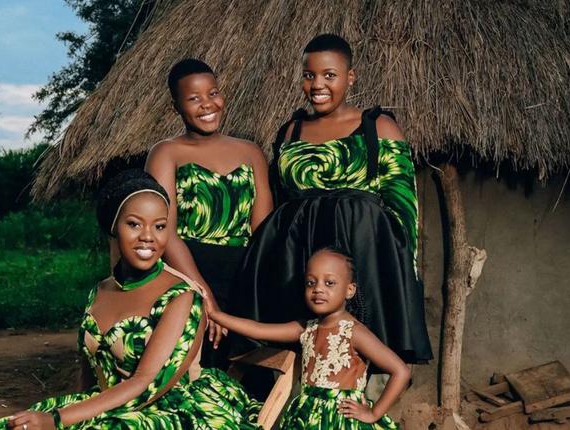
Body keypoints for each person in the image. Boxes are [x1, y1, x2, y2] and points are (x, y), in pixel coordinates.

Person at [0, 170, 261, 430]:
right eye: (134, 224)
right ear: (114, 227)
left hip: (166, 409)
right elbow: (87, 374)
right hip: (106, 404)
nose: (148, 237)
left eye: (160, 226)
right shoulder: (100, 291)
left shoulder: (182, 297)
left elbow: (147, 383)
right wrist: (64, 414)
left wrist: (58, 419)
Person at [234, 34, 432, 365]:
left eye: (329, 75)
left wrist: (397, 272)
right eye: (309, 75)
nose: (317, 85)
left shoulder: (378, 127)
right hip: (297, 259)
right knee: (298, 351)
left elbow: (403, 206)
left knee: (356, 355)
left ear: (350, 77)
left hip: (362, 256)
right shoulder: (290, 131)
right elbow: (281, 201)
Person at [146, 58, 273, 369]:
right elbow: (165, 232)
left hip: (245, 275)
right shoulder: (166, 153)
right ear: (176, 106)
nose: (207, 105)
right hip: (189, 271)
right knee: (200, 366)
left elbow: (264, 232)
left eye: (213, 93)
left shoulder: (251, 152)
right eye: (193, 98)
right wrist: (204, 296)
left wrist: (261, 292)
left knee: (253, 369)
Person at [208, 247, 407, 429]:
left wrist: (373, 413)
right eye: (311, 282)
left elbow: (401, 371)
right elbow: (258, 329)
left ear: (350, 290)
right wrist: (216, 315)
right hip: (304, 418)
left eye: (329, 283)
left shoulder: (355, 332)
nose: (318, 289)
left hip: (340, 420)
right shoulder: (305, 328)